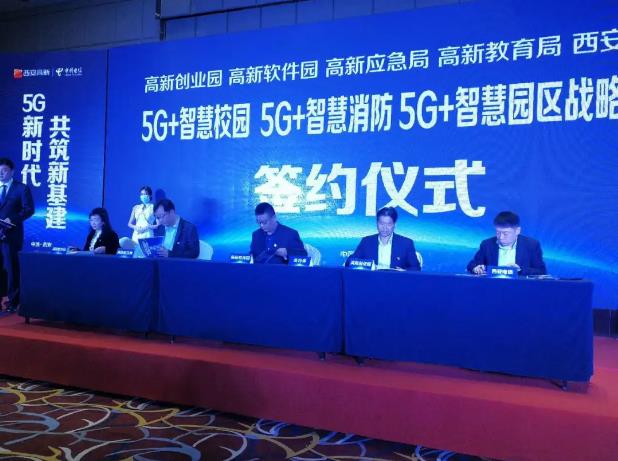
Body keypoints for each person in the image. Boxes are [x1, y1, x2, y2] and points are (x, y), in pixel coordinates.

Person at [0, 158, 34, 313]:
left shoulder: (21, 188)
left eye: (4, 170)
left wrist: (12, 220)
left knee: (11, 269)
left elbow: (29, 209)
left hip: (11, 235)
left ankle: (13, 302)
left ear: (12, 171)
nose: (1, 173)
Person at [467, 211, 547, 276]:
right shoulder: (487, 244)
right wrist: (476, 268)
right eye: (498, 233)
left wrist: (519, 270)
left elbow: (541, 271)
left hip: (520, 287)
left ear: (517, 231)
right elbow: (472, 265)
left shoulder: (531, 245)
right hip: (492, 286)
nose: (501, 237)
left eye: (505, 233)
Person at [346, 206, 421, 271]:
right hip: (372, 280)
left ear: (394, 224)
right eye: (381, 223)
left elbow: (416, 268)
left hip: (396, 281)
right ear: (377, 223)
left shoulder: (406, 243)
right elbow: (349, 262)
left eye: (389, 224)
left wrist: (403, 272)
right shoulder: (367, 241)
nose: (385, 228)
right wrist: (368, 266)